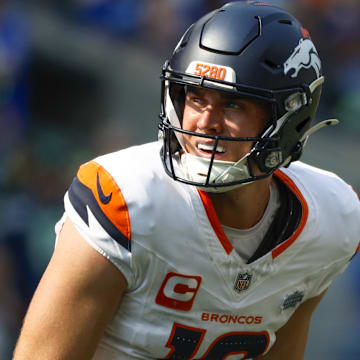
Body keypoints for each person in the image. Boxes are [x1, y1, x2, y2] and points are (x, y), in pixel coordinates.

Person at [13, 1, 360, 359]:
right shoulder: (127, 200)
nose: (204, 122)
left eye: (234, 104)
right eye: (195, 97)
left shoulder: (333, 218)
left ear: (292, 117)